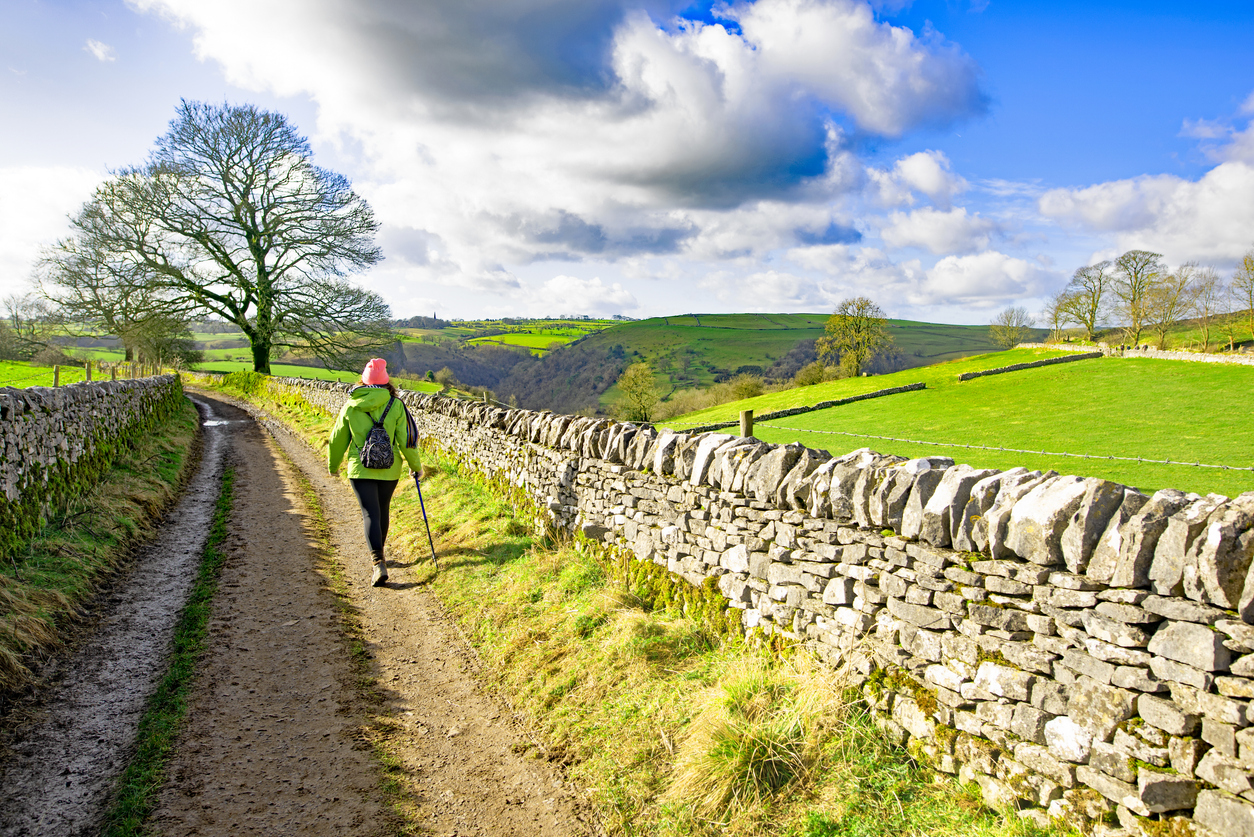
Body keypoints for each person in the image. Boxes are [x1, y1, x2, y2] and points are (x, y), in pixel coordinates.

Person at [328, 358, 424, 586]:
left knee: (370, 513)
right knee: (382, 510)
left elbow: (337, 439)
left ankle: (378, 563)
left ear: (363, 380)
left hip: (360, 469)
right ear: (386, 381)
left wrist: (333, 465)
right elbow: (407, 441)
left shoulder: (351, 405)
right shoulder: (396, 405)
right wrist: (416, 467)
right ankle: (381, 557)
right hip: (389, 468)